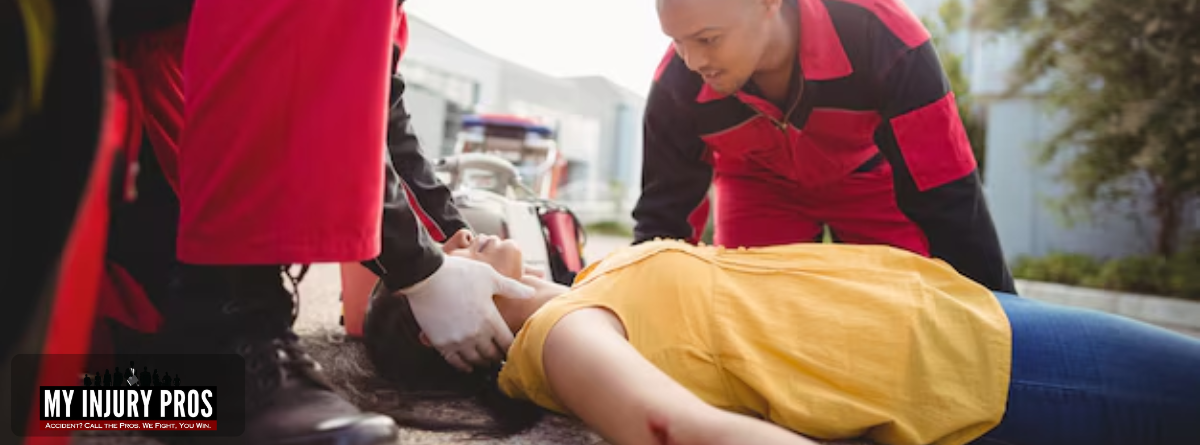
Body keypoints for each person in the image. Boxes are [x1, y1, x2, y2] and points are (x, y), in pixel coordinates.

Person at [0, 0, 633, 442]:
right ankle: (236, 321)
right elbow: (314, 74)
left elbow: (374, 107)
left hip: (103, 44)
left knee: (149, 377)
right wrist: (421, 269)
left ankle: (40, 393)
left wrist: (441, 252)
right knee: (209, 334)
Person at [364, 231, 1200, 445]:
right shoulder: (566, 338)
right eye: (441, 268)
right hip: (976, 373)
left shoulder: (572, 297)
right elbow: (674, 430)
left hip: (960, 320)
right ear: (455, 337)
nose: (456, 246)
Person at [631, 0, 1014, 292]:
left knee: (909, 305)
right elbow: (663, 223)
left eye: (707, 39)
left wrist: (1008, 322)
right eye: (678, 41)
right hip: (757, 186)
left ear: (768, 1)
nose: (693, 61)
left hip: (868, 176)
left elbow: (945, 187)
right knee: (756, 317)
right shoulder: (675, 82)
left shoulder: (873, 24)